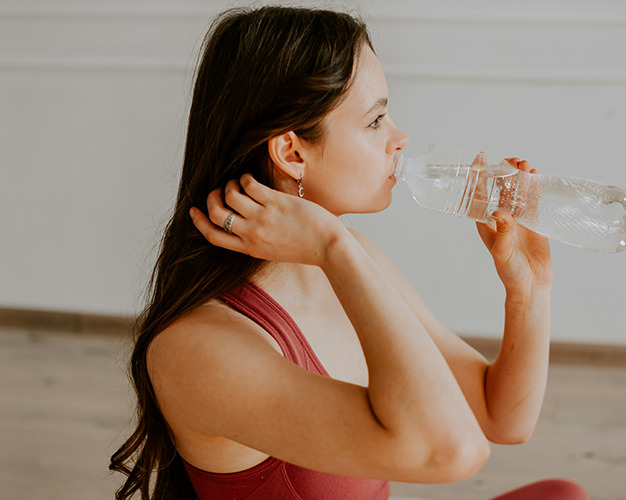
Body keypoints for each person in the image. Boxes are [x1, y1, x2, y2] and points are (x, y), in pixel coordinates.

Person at [110, 5, 589, 500]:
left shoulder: (348, 260)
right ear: (292, 153)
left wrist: (529, 290)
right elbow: (453, 452)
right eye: (376, 119)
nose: (400, 139)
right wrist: (333, 246)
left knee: (563, 495)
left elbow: (501, 416)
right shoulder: (197, 348)